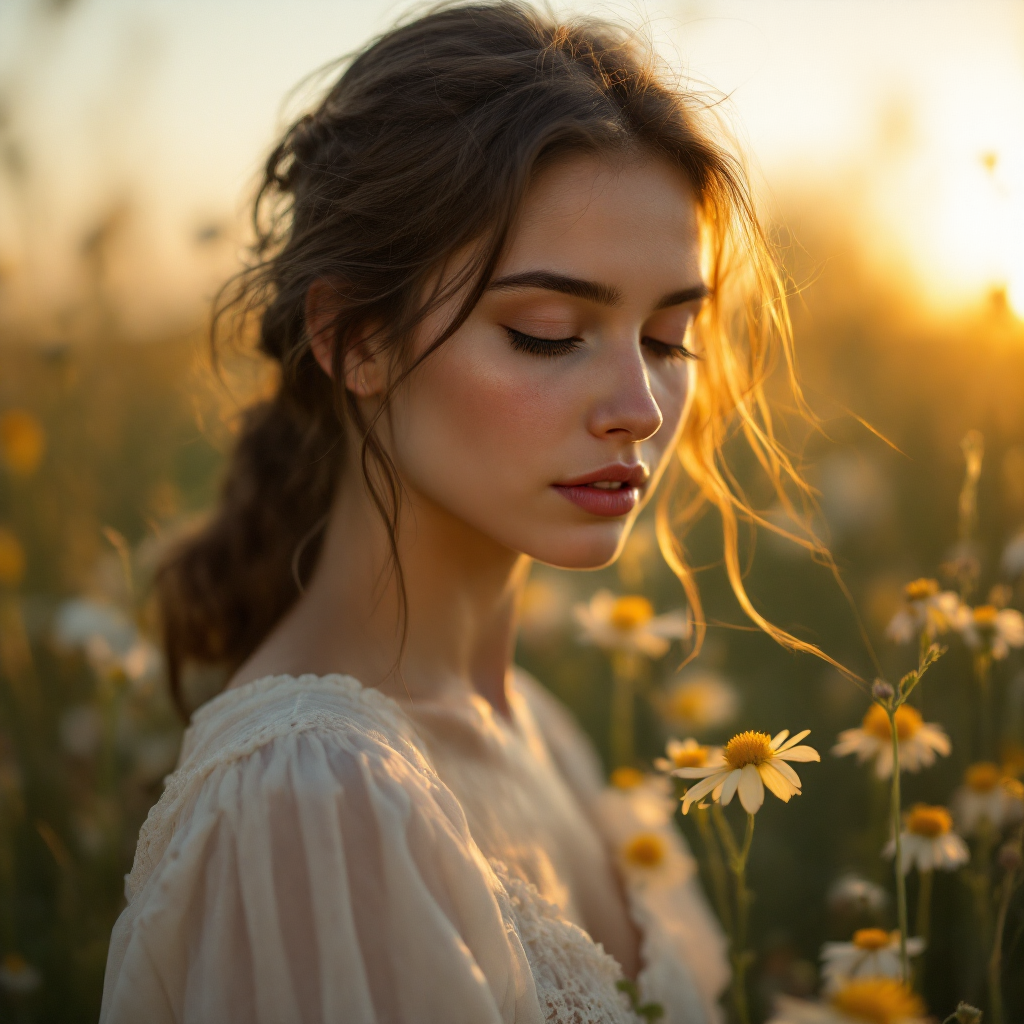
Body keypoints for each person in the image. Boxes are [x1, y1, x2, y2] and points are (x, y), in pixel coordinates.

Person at [100, 4, 819, 1021]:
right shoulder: (312, 800)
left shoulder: (542, 730)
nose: (639, 408)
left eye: (665, 338)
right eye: (545, 331)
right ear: (354, 339)